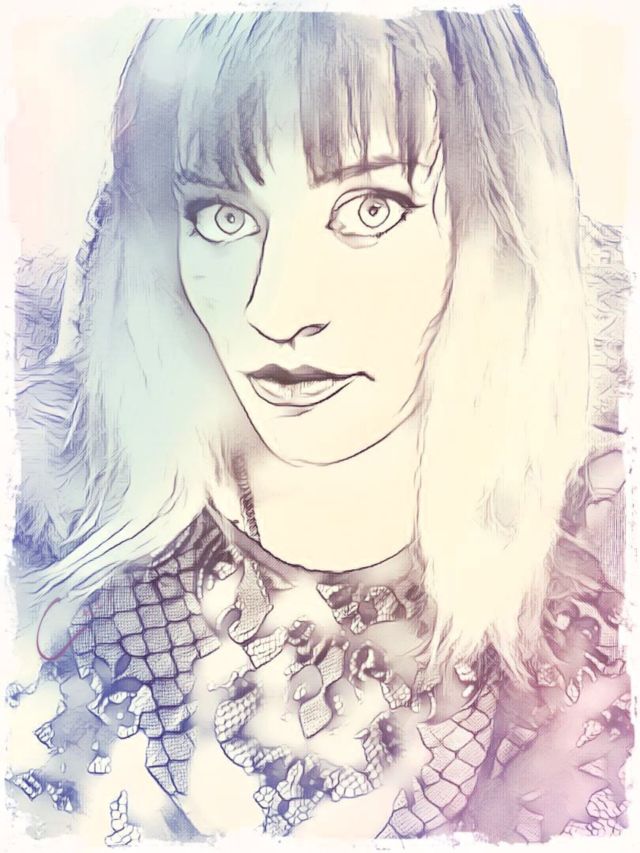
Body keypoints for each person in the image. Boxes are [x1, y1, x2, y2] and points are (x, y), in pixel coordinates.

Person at [6, 7, 632, 845]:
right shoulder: (57, 539)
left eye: (370, 210)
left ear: (497, 219)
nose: (277, 309)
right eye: (223, 216)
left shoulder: (580, 607)